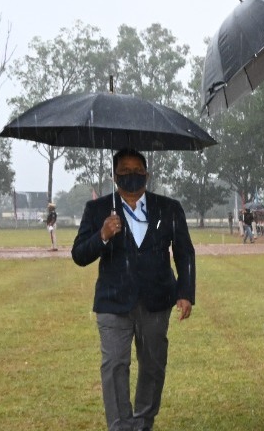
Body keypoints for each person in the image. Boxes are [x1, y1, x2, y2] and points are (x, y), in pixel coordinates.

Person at [71, 148, 195, 431]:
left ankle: (143, 421)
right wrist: (102, 235)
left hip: (157, 300)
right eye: (124, 171)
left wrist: (185, 292)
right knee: (114, 365)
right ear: (115, 176)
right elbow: (79, 254)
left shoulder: (169, 208)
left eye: (137, 169)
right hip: (113, 302)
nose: (131, 175)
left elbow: (185, 252)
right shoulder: (98, 210)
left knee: (153, 365)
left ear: (147, 174)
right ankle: (121, 425)